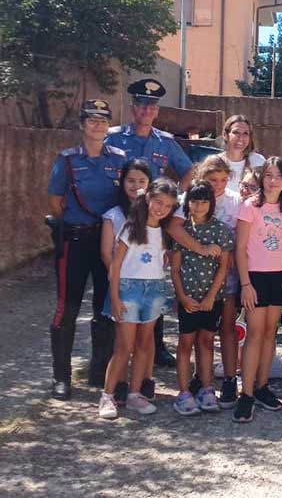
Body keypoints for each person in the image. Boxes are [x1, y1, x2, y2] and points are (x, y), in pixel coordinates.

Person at [105, 78, 195, 368]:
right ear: (133, 107)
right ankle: (111, 352)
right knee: (116, 281)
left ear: (157, 110)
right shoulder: (113, 137)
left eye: (152, 105)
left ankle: (155, 348)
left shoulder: (165, 142)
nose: (146, 109)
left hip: (154, 224)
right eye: (142, 104)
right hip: (120, 218)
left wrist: (174, 203)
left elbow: (188, 171)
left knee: (153, 280)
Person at [47, 99, 127, 400]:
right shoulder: (67, 160)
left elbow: (127, 193)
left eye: (103, 120)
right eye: (91, 120)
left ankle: (98, 371)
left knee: (105, 307)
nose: (97, 125)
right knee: (66, 307)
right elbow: (55, 200)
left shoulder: (119, 158)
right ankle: (61, 378)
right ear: (82, 124)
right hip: (75, 242)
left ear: (109, 126)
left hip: (107, 241)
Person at [98, 178, 178, 419]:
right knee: (124, 347)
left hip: (154, 290)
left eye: (167, 206)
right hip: (128, 290)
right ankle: (108, 396)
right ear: (148, 199)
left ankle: (134, 394)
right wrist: (115, 298)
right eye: (158, 202)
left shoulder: (164, 231)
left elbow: (163, 259)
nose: (161, 209)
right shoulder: (131, 227)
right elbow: (117, 264)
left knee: (145, 344)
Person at [169, 155, 243, 407]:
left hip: (224, 274)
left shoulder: (234, 199)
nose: (219, 185)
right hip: (193, 275)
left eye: (223, 179)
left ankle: (229, 379)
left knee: (224, 328)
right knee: (192, 335)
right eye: (213, 179)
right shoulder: (188, 200)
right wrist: (201, 249)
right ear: (202, 178)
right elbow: (174, 230)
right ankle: (198, 382)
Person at [234, 157, 282, 423]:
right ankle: (245, 394)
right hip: (256, 278)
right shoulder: (250, 206)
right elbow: (239, 248)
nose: (273, 180)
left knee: (271, 333)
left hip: (279, 276)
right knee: (255, 335)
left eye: (278, 176)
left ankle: (262, 386)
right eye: (268, 175)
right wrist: (246, 284)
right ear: (262, 179)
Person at [100, 159, 156, 405]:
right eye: (131, 181)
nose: (136, 186)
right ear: (122, 182)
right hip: (123, 285)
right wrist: (118, 283)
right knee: (123, 342)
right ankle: (117, 386)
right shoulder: (114, 216)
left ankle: (143, 381)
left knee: (147, 338)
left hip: (150, 285)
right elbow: (106, 254)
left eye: (142, 181)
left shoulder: (155, 215)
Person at [219, 115, 266, 194]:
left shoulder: (258, 161)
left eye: (245, 133)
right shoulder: (216, 162)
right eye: (236, 132)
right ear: (225, 135)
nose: (241, 138)